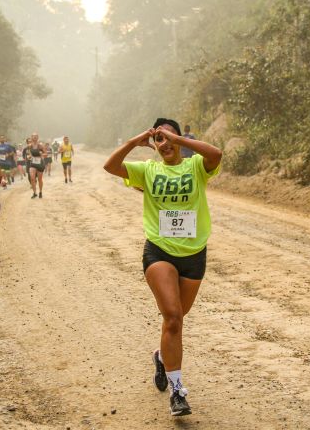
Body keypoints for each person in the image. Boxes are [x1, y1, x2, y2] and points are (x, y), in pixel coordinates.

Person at [103, 118, 222, 417]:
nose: (166, 143)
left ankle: (160, 356)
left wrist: (177, 140)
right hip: (159, 250)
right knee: (172, 317)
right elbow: (110, 166)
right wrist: (135, 141)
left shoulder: (195, 166)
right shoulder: (147, 170)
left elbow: (216, 155)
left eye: (171, 137)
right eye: (159, 139)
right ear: (153, 145)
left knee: (178, 319)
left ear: (180, 139)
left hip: (194, 252)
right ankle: (177, 392)